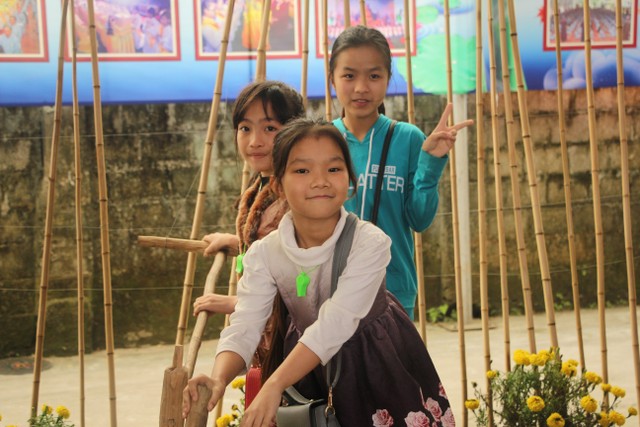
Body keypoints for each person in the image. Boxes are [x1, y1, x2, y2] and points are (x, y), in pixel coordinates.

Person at [183, 118, 454, 426]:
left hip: (379, 368)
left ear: (349, 179)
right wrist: (218, 378)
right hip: (308, 373)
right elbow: (245, 324)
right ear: (278, 184)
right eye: (302, 170)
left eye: (334, 169)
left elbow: (335, 324)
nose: (320, 180)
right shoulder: (265, 253)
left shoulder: (369, 243)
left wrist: (275, 383)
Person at [329, 25, 474, 318]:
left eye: (374, 76)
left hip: (392, 291)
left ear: (388, 78)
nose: (361, 87)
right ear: (332, 78)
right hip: (330, 290)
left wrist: (431, 163)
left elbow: (419, 219)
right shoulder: (321, 140)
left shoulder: (408, 139)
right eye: (349, 75)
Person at [193, 80, 305, 318]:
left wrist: (235, 303)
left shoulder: (297, 194)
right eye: (245, 128)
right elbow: (270, 250)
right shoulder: (262, 184)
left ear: (294, 132)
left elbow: (299, 274)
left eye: (270, 128)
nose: (255, 141)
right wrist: (238, 242)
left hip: (289, 330)